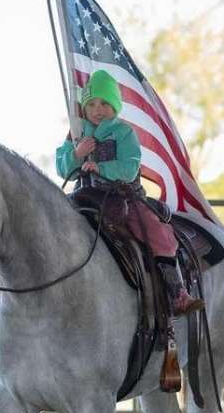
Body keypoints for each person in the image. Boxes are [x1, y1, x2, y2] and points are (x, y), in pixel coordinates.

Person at [56, 69, 202, 316]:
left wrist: (101, 167)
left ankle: (176, 293)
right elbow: (62, 167)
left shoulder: (124, 133)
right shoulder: (77, 133)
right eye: (91, 104)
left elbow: (130, 166)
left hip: (123, 197)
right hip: (85, 197)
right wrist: (76, 154)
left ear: (114, 106)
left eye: (104, 103)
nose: (97, 109)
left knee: (158, 232)